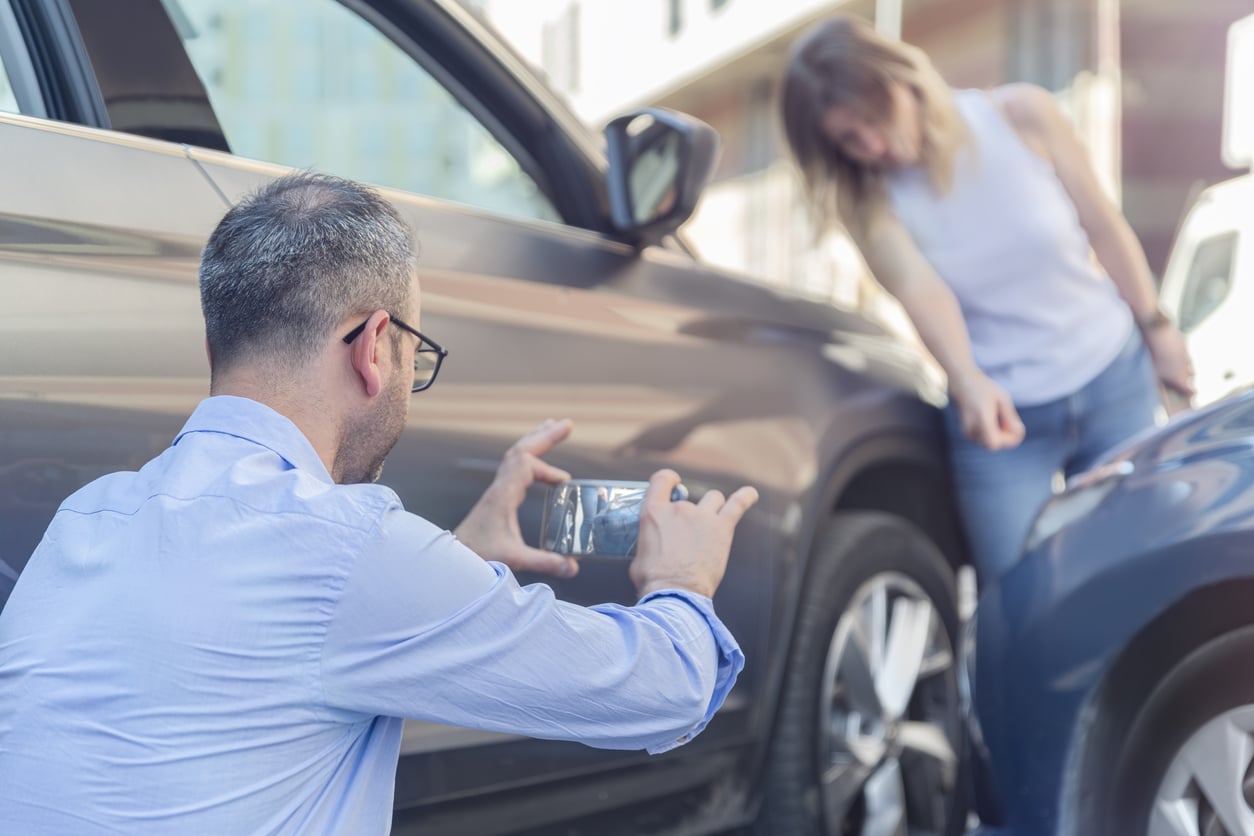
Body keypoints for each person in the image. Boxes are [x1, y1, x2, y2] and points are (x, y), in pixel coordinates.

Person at [0, 172, 759, 834]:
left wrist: (458, 559)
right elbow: (659, 693)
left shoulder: (87, 519)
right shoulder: (348, 548)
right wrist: (681, 584)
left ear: (214, 351)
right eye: (413, 354)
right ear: (372, 346)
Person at [778, 16, 1195, 582]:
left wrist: (1158, 328)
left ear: (904, 79)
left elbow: (1103, 223)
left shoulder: (1022, 115)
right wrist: (967, 378)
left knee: (1148, 567)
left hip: (1110, 379)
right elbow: (921, 291)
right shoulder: (868, 200)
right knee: (1016, 598)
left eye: (874, 121)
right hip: (1001, 419)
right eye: (849, 140)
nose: (872, 146)